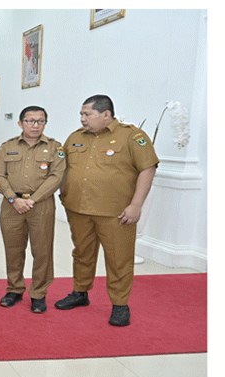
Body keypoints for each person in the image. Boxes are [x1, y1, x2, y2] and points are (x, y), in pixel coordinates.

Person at [56, 94, 159, 326]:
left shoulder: (132, 136)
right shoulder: (75, 137)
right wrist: (64, 193)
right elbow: (63, 168)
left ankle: (120, 305)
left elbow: (148, 168)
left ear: (106, 114)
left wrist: (136, 205)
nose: (82, 119)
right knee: (81, 253)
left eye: (88, 114)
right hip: (78, 209)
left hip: (115, 213)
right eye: (81, 114)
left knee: (118, 259)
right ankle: (80, 292)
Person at [0, 106, 66, 313]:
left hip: (41, 205)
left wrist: (32, 200)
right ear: (20, 123)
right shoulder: (7, 147)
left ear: (45, 123)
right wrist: (13, 198)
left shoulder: (55, 148)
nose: (35, 125)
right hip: (11, 205)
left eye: (40, 121)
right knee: (13, 249)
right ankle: (14, 289)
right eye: (30, 121)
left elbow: (56, 177)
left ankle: (38, 293)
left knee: (42, 251)